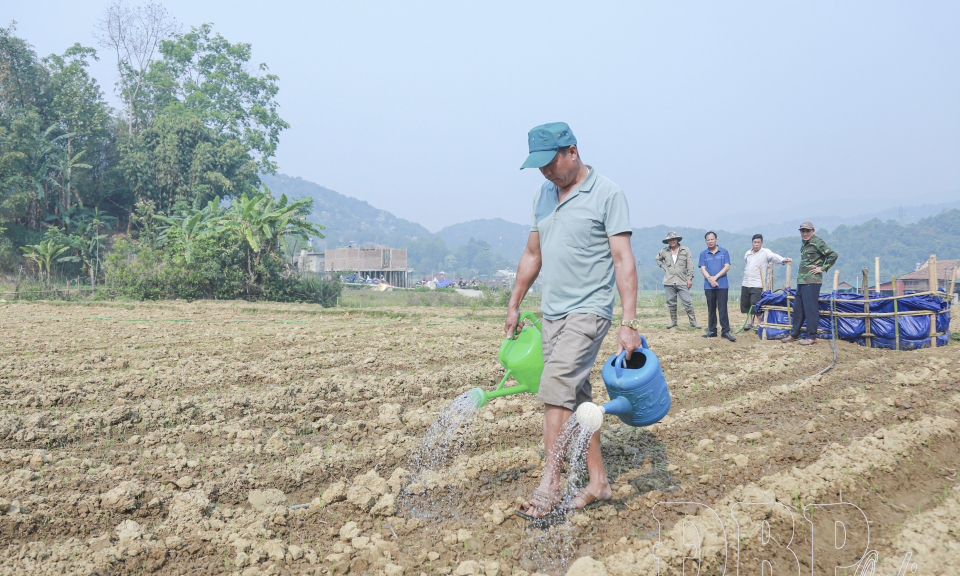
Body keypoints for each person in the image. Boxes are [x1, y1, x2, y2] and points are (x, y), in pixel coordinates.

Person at [505, 122, 641, 519]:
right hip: (553, 313)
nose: (546, 172)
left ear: (572, 152)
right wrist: (515, 303)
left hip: (589, 311)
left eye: (550, 163)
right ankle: (599, 483)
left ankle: (550, 484)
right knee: (577, 398)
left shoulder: (607, 194)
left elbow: (623, 260)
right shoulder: (543, 194)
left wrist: (628, 321)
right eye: (540, 167)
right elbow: (533, 254)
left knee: (556, 387)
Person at [782, 222, 838, 345]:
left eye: (808, 231)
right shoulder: (804, 243)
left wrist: (822, 268)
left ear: (813, 231)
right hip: (802, 281)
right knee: (798, 307)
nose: (805, 233)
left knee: (810, 309)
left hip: (812, 281)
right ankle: (794, 334)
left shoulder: (817, 242)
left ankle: (811, 337)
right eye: (803, 231)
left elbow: (833, 255)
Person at [741, 234, 791, 330]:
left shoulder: (765, 252)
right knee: (746, 304)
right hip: (746, 282)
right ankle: (749, 322)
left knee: (756, 304)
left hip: (757, 283)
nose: (756, 244)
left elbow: (773, 256)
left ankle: (759, 324)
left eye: (758, 242)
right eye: (755, 242)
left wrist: (783, 260)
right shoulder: (748, 253)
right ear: (752, 242)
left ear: (761, 243)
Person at [655, 231, 701, 329]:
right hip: (669, 280)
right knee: (671, 302)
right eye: (669, 240)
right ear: (667, 241)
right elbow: (658, 259)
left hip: (682, 280)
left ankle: (693, 322)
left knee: (687, 301)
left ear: (677, 239)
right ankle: (673, 321)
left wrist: (690, 278)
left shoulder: (685, 250)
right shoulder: (664, 251)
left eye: (673, 239)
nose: (672, 241)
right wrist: (664, 267)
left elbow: (690, 264)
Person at [698, 231, 736, 341]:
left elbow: (727, 266)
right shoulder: (703, 254)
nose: (710, 241)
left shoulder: (724, 252)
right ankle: (712, 330)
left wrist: (715, 278)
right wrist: (710, 279)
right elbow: (703, 269)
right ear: (706, 241)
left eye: (712, 239)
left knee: (722, 308)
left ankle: (725, 331)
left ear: (716, 240)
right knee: (711, 308)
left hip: (722, 285)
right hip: (709, 286)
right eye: (708, 240)